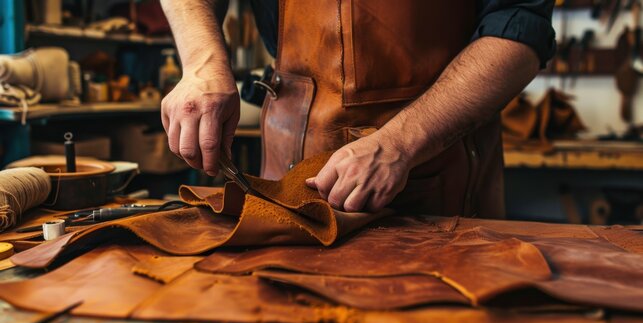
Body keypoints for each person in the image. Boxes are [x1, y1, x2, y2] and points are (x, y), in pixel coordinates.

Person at [159, 0, 556, 217]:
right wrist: (203, 61)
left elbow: (519, 29)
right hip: (290, 180)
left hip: (439, 178)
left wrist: (399, 143)